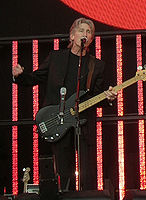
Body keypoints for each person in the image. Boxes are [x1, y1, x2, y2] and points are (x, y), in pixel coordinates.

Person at [12, 17, 117, 191]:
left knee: (87, 170)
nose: (85, 34)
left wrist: (109, 99)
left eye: (88, 32)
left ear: (91, 39)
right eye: (81, 30)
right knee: (62, 170)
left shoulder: (96, 66)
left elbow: (96, 97)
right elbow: (35, 78)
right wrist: (20, 75)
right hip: (58, 121)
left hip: (82, 123)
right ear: (72, 36)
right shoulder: (56, 58)